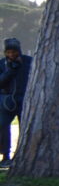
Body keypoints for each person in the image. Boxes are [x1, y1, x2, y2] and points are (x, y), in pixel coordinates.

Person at [0, 37, 32, 168]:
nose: (11, 54)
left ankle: (21, 156)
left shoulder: (29, 62)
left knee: (25, 129)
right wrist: (11, 70)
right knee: (2, 127)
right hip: (6, 102)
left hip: (25, 100)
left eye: (14, 51)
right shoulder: (2, 64)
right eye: (9, 52)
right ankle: (5, 156)